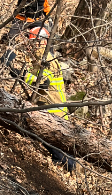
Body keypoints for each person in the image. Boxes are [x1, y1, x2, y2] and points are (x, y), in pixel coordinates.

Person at [4, 25, 76, 172]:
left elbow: (43, 83)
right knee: (55, 147)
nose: (30, 47)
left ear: (42, 42)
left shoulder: (47, 60)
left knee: (58, 152)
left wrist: (18, 72)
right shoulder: (42, 59)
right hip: (51, 110)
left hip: (54, 113)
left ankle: (69, 171)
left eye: (33, 43)